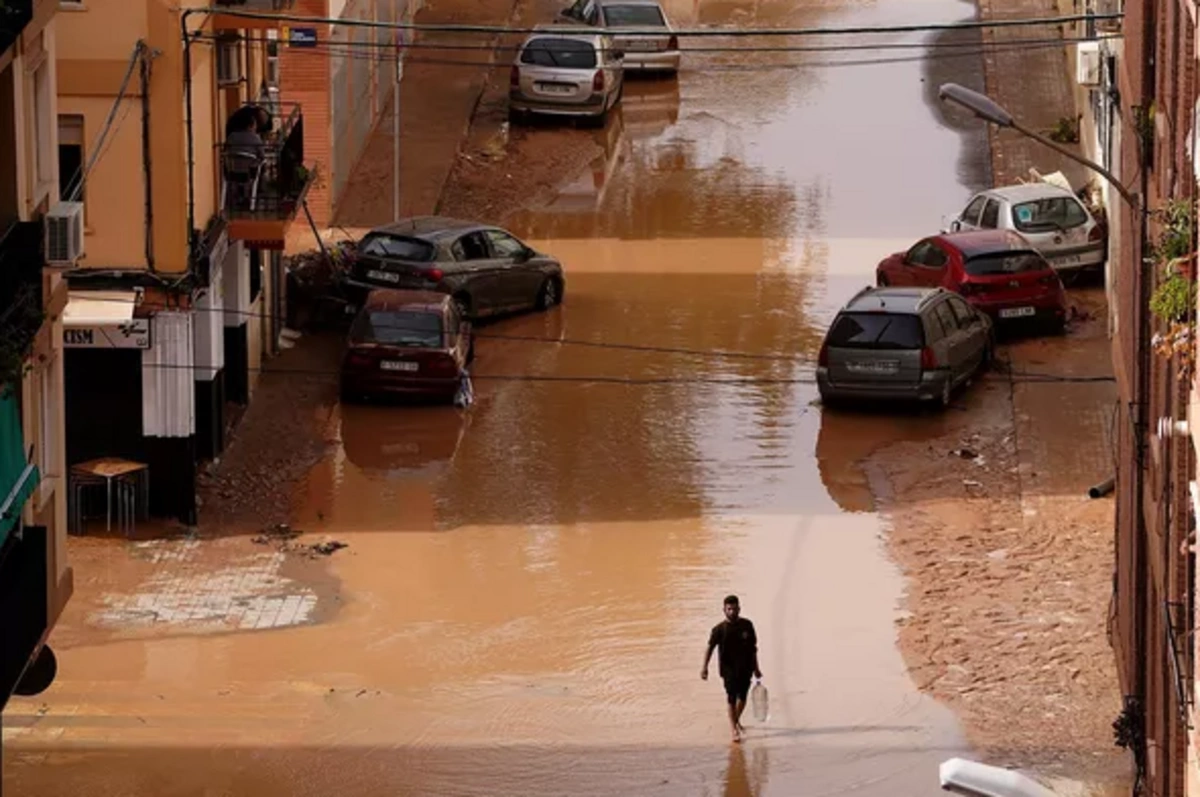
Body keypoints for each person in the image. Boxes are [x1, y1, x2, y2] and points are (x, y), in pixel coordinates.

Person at [702, 595, 762, 743]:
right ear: (724, 610)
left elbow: (753, 649)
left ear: (739, 609)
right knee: (731, 698)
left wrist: (756, 668)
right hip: (728, 669)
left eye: (734, 609)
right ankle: (734, 729)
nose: (732, 612)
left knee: (743, 698)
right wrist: (704, 667)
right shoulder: (719, 630)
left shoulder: (747, 625)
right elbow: (710, 648)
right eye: (729, 609)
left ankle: (735, 720)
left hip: (746, 668)